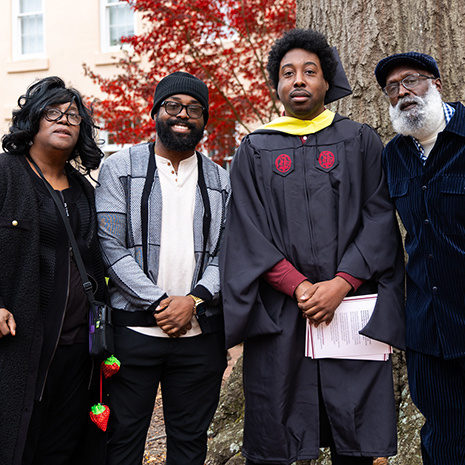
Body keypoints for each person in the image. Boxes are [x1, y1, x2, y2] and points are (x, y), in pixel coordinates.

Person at [220, 29, 406, 465]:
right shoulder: (255, 149)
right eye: (288, 74)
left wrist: (341, 284)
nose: (298, 80)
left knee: (354, 435)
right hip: (284, 312)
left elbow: (380, 219)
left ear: (327, 82)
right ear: (277, 86)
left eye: (310, 71)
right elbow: (246, 229)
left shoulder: (360, 141)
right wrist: (300, 287)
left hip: (350, 307)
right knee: (279, 429)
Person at [95, 71, 231, 465]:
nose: (183, 115)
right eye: (173, 106)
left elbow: (229, 252)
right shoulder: (119, 168)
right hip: (132, 333)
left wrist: (193, 300)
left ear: (205, 120)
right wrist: (160, 303)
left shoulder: (221, 180)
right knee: (122, 443)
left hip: (200, 335)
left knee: (190, 445)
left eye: (194, 109)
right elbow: (110, 246)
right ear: (155, 112)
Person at [0, 76, 106, 465]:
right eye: (53, 112)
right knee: (18, 440)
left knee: (64, 446)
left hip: (79, 350)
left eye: (73, 116)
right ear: (33, 121)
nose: (64, 120)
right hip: (22, 344)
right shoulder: (7, 174)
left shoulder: (84, 191)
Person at [374, 52, 465, 464]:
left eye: (412, 80)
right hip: (428, 329)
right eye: (393, 88)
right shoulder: (393, 155)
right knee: (443, 437)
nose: (403, 92)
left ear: (437, 84)